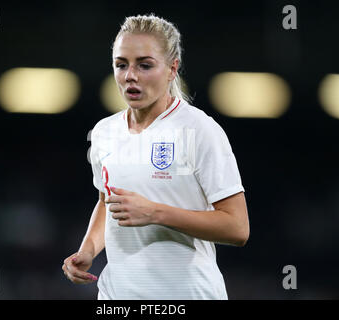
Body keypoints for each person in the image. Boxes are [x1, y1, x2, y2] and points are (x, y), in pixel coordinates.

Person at [62, 13, 249, 300]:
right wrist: (87, 249)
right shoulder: (104, 132)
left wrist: (155, 212)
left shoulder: (199, 130)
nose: (130, 76)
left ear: (173, 69)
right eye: (121, 65)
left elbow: (237, 228)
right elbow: (107, 201)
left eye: (145, 65)